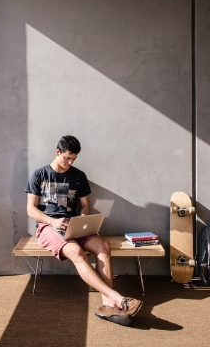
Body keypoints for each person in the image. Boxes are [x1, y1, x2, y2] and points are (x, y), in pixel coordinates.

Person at [25, 135, 142, 326]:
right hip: (48, 227)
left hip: (75, 225)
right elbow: (31, 209)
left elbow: (85, 205)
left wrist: (82, 218)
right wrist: (52, 221)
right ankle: (118, 299)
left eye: (74, 159)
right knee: (76, 252)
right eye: (67, 158)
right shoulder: (39, 175)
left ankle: (107, 305)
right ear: (58, 152)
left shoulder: (78, 175)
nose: (70, 162)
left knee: (103, 246)